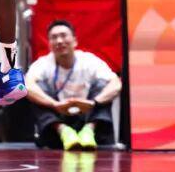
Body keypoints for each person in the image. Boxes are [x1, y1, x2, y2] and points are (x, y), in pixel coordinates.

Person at [24, 20, 120, 151]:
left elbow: (116, 84)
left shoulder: (89, 60)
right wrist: (54, 104)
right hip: (57, 123)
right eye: (54, 37)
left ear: (75, 41)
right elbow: (27, 86)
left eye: (63, 36)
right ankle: (65, 132)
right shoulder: (43, 63)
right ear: (49, 44)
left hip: (88, 117)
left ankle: (88, 131)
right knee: (36, 87)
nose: (59, 41)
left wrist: (94, 103)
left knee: (104, 84)